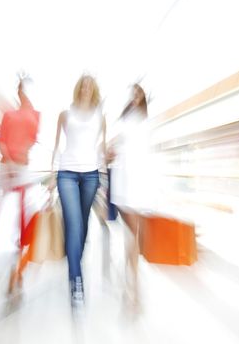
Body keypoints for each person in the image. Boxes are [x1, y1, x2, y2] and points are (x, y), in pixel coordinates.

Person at [51, 75, 106, 308]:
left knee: (82, 226)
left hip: (91, 175)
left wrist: (104, 182)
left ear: (94, 90)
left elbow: (102, 148)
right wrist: (52, 175)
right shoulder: (65, 114)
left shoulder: (100, 117)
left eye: (89, 85)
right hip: (67, 174)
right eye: (82, 84)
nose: (85, 87)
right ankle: (76, 280)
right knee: (74, 224)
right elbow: (56, 146)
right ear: (78, 88)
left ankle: (74, 258)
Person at [107, 83, 150, 312]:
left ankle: (132, 286)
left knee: (134, 236)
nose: (134, 97)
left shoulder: (146, 123)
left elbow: (146, 155)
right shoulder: (124, 123)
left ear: (143, 97)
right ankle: (133, 288)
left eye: (138, 94)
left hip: (138, 183)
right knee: (130, 235)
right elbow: (111, 149)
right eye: (132, 94)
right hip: (124, 182)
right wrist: (112, 150)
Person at [0, 76, 40, 299]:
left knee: (23, 221)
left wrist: (22, 153)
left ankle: (17, 271)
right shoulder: (8, 115)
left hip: (23, 171)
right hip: (8, 170)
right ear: (19, 91)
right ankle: (11, 269)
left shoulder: (36, 115)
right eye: (24, 89)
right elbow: (1, 140)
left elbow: (33, 139)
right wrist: (10, 161)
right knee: (10, 220)